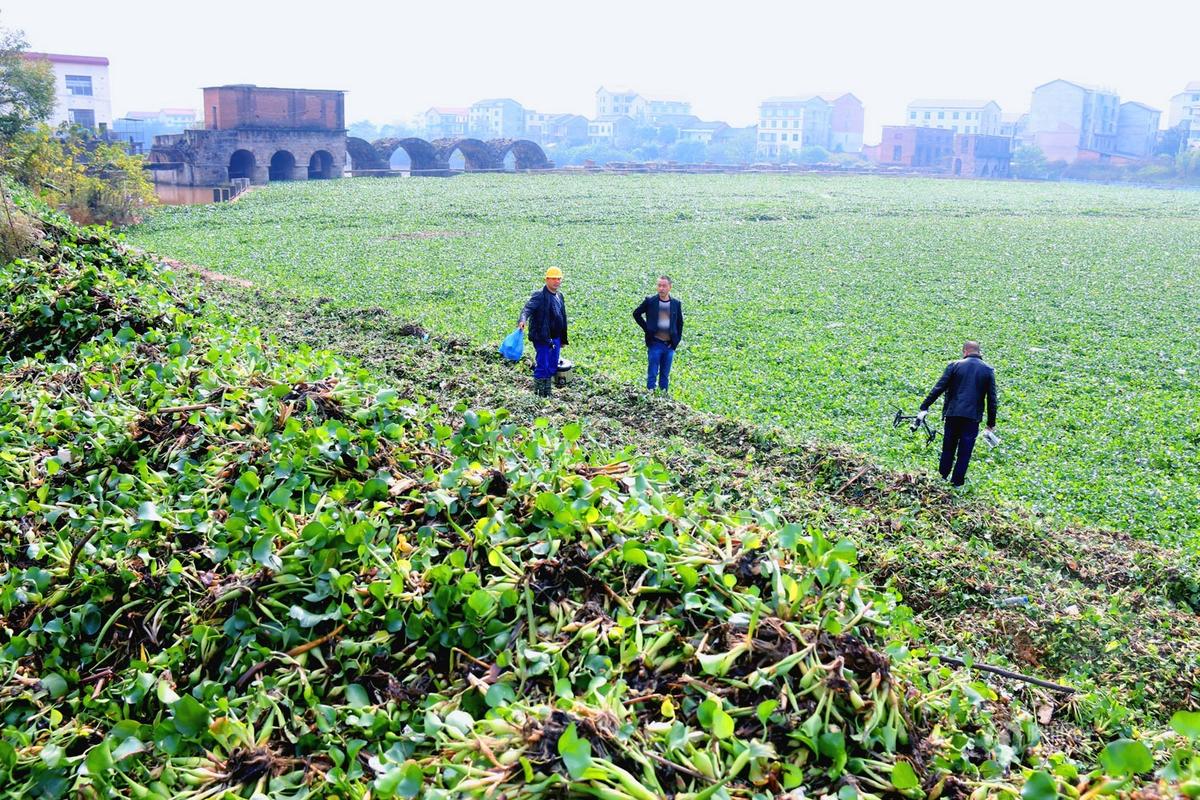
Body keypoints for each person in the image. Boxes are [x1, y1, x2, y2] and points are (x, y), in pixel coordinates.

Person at [917, 340, 998, 487]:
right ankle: (956, 483)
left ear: (965, 352)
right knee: (964, 453)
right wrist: (990, 423)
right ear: (979, 352)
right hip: (972, 418)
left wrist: (924, 406)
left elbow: (939, 388)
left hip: (953, 414)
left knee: (948, 448)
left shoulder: (955, 366)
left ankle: (941, 478)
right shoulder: (988, 370)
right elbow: (992, 399)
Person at [518, 267, 568, 397]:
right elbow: (527, 309)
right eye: (553, 278)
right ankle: (539, 395)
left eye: (559, 278)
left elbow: (562, 317)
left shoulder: (559, 296)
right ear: (547, 279)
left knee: (552, 365)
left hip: (555, 337)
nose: (557, 281)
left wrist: (562, 339)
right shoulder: (539, 295)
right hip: (542, 337)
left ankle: (547, 393)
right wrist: (522, 320)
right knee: (543, 365)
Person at [633, 276, 684, 394]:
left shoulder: (676, 303)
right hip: (655, 343)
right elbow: (636, 314)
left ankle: (663, 399)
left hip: (669, 345)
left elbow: (680, 323)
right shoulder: (650, 301)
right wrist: (647, 328)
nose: (661, 288)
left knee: (665, 375)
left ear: (670, 287)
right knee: (652, 373)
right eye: (659, 285)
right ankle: (650, 398)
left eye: (664, 286)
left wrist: (676, 340)